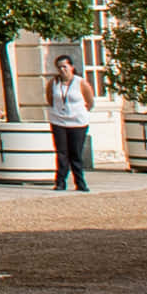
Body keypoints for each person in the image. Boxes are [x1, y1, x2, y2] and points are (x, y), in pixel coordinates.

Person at [45, 41, 99, 194]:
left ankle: (80, 182)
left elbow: (90, 101)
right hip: (59, 121)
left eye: (65, 67)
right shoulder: (53, 83)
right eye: (60, 67)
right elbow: (50, 99)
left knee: (75, 153)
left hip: (77, 122)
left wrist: (81, 111)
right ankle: (60, 181)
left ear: (71, 67)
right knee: (61, 153)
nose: (62, 70)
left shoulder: (80, 83)